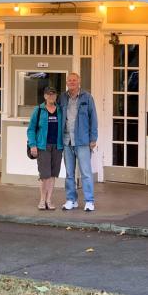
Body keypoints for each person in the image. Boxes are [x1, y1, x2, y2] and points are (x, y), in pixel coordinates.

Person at [59, 73, 98, 211]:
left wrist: (93, 138)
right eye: (69, 80)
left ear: (79, 81)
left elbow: (93, 118)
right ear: (67, 82)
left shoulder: (87, 97)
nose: (72, 82)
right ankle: (71, 200)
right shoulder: (62, 98)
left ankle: (89, 201)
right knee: (69, 173)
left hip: (82, 141)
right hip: (67, 141)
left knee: (86, 172)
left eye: (74, 80)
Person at [27, 86, 63, 210]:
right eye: (49, 94)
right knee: (44, 175)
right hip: (43, 146)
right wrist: (33, 145)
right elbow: (31, 129)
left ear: (56, 96)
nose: (51, 97)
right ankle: (42, 200)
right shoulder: (39, 110)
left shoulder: (60, 110)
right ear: (45, 96)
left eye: (53, 94)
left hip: (57, 146)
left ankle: (49, 200)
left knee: (53, 175)